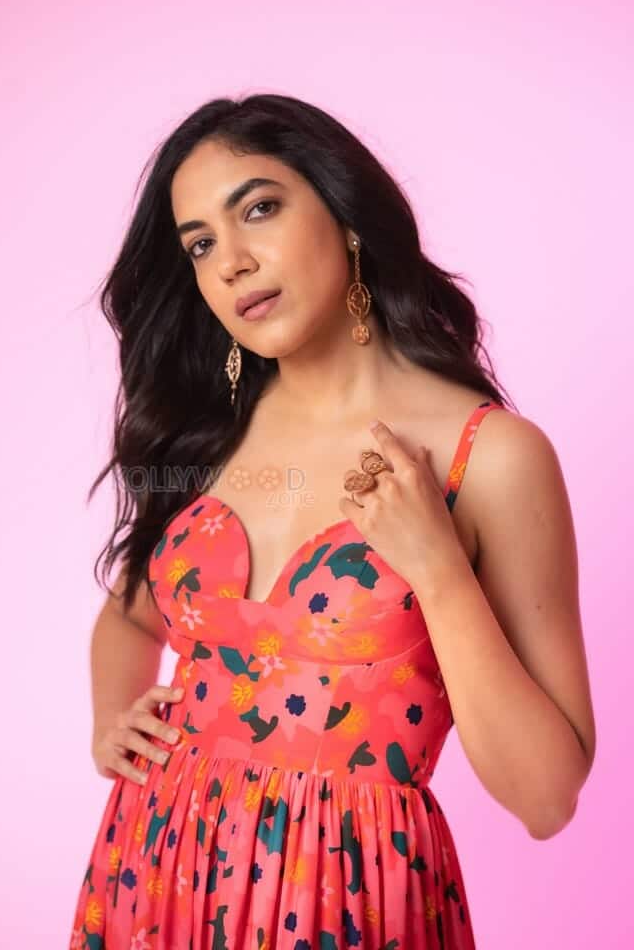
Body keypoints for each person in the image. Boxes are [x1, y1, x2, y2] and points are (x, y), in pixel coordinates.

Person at [69, 92, 596, 949]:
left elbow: (546, 799)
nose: (232, 262)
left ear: (345, 213)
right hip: (156, 871)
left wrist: (438, 571)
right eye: (200, 244)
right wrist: (110, 723)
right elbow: (130, 616)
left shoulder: (490, 457)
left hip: (346, 900)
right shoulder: (206, 436)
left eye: (259, 209)